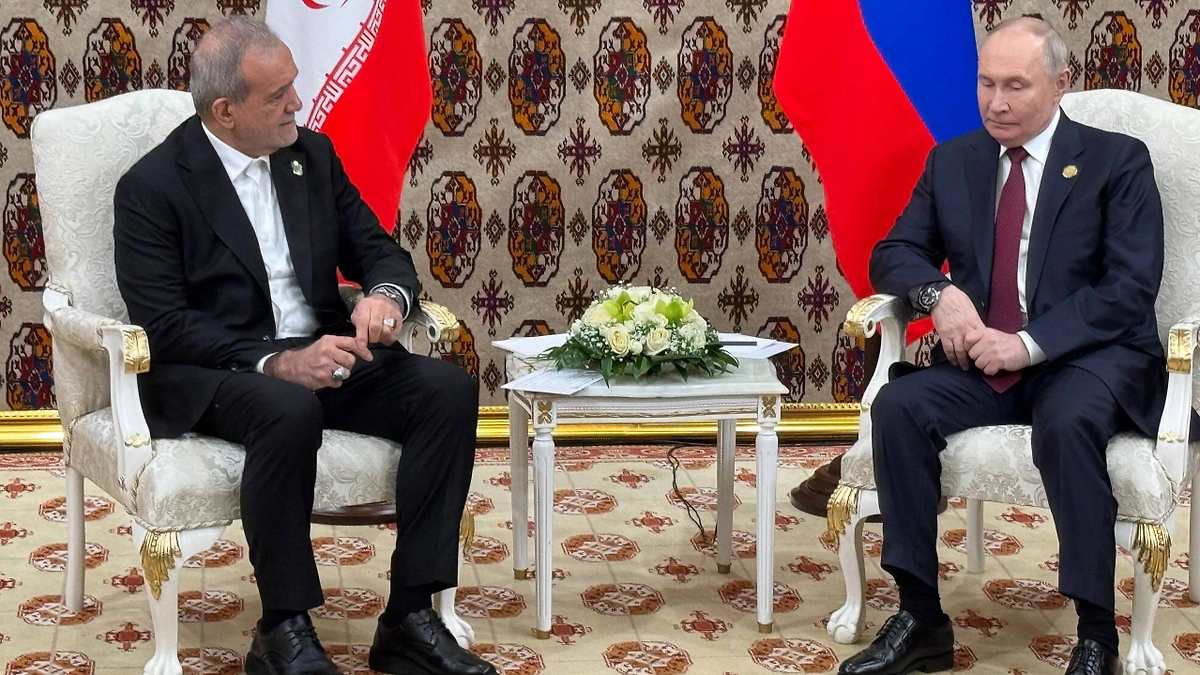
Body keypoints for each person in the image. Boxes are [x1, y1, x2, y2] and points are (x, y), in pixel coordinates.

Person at [113, 16, 496, 675]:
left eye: (294, 85)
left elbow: (379, 250)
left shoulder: (310, 157)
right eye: (278, 95)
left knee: (446, 390)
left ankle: (409, 618)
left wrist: (384, 297)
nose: (298, 101)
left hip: (322, 348)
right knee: (287, 407)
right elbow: (165, 324)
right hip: (221, 368)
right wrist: (279, 362)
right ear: (226, 111)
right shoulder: (152, 188)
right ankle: (283, 628)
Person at [839, 17, 1167, 675]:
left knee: (1066, 420)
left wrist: (1029, 343)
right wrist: (939, 295)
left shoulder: (1117, 161)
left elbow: (1129, 288)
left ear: (1060, 84)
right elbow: (892, 253)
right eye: (986, 84)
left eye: (1016, 85)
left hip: (1087, 360)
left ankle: (1096, 635)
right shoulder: (953, 161)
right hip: (984, 360)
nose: (996, 102)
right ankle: (921, 618)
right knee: (899, 409)